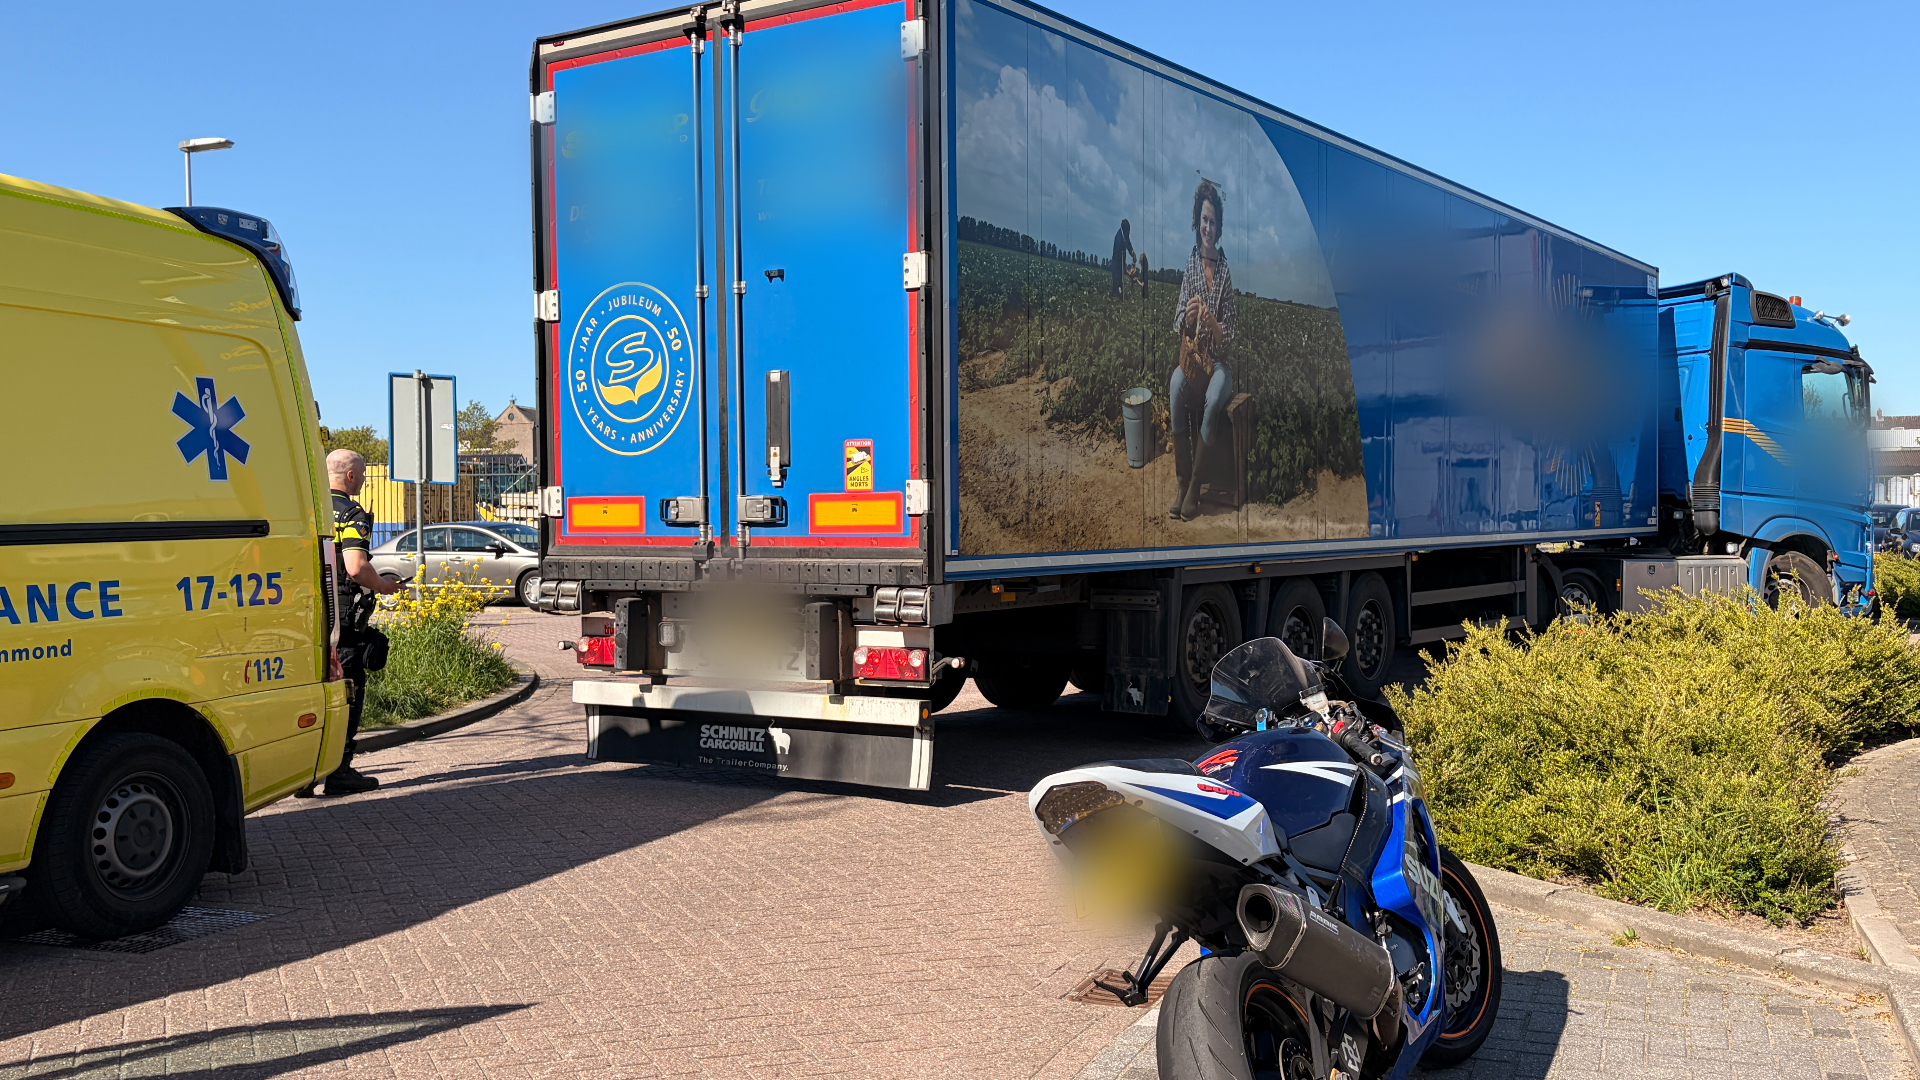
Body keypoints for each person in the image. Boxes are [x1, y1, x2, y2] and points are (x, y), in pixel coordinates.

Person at [299, 448, 403, 797]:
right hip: (341, 620)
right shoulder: (350, 513)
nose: (363, 480)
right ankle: (339, 770)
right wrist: (385, 586)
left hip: (305, 613)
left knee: (312, 692)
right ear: (350, 476)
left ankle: (306, 774)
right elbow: (356, 567)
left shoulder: (307, 507)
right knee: (346, 692)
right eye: (361, 474)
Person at [1168, 178, 1237, 521]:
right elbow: (1178, 314)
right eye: (1204, 220)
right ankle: (1181, 482)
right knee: (1173, 385)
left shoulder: (1224, 272)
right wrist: (1188, 317)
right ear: (1197, 222)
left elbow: (1231, 334)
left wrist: (1211, 323)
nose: (1208, 227)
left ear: (1219, 228)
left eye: (1213, 222)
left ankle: (1195, 486)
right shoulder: (1191, 264)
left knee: (1212, 401)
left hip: (1220, 366)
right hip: (1195, 362)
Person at [1111, 218, 1136, 297]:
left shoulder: (1124, 235)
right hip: (1117, 265)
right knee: (1117, 285)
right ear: (1125, 229)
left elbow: (1128, 242)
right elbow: (1120, 258)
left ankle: (1119, 297)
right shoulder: (1119, 239)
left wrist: (1132, 252)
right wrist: (1126, 270)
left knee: (1120, 286)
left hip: (1120, 263)